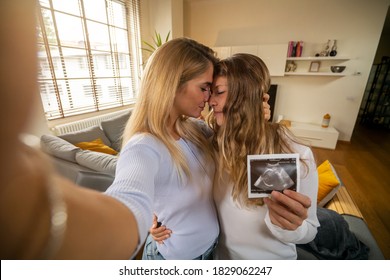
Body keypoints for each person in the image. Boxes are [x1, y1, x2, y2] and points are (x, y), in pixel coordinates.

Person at [152, 53, 319, 259]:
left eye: (219, 92)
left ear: (247, 95)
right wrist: (157, 221)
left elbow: (310, 231)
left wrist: (288, 226)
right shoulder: (213, 145)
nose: (210, 101)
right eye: (210, 92)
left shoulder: (294, 153)